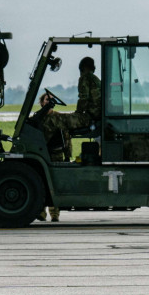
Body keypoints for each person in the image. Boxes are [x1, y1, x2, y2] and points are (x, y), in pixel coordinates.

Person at [30, 92, 86, 222]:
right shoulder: (38, 117)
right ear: (42, 102)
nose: (48, 102)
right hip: (41, 154)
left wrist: (67, 156)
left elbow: (66, 137)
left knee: (54, 183)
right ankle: (41, 212)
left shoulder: (58, 118)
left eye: (51, 100)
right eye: (46, 99)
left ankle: (54, 214)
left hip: (56, 155)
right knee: (41, 182)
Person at [75, 56, 102, 122]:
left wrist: (77, 113)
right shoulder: (96, 80)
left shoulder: (84, 78)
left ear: (83, 68)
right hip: (99, 114)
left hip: (91, 116)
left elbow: (84, 98)